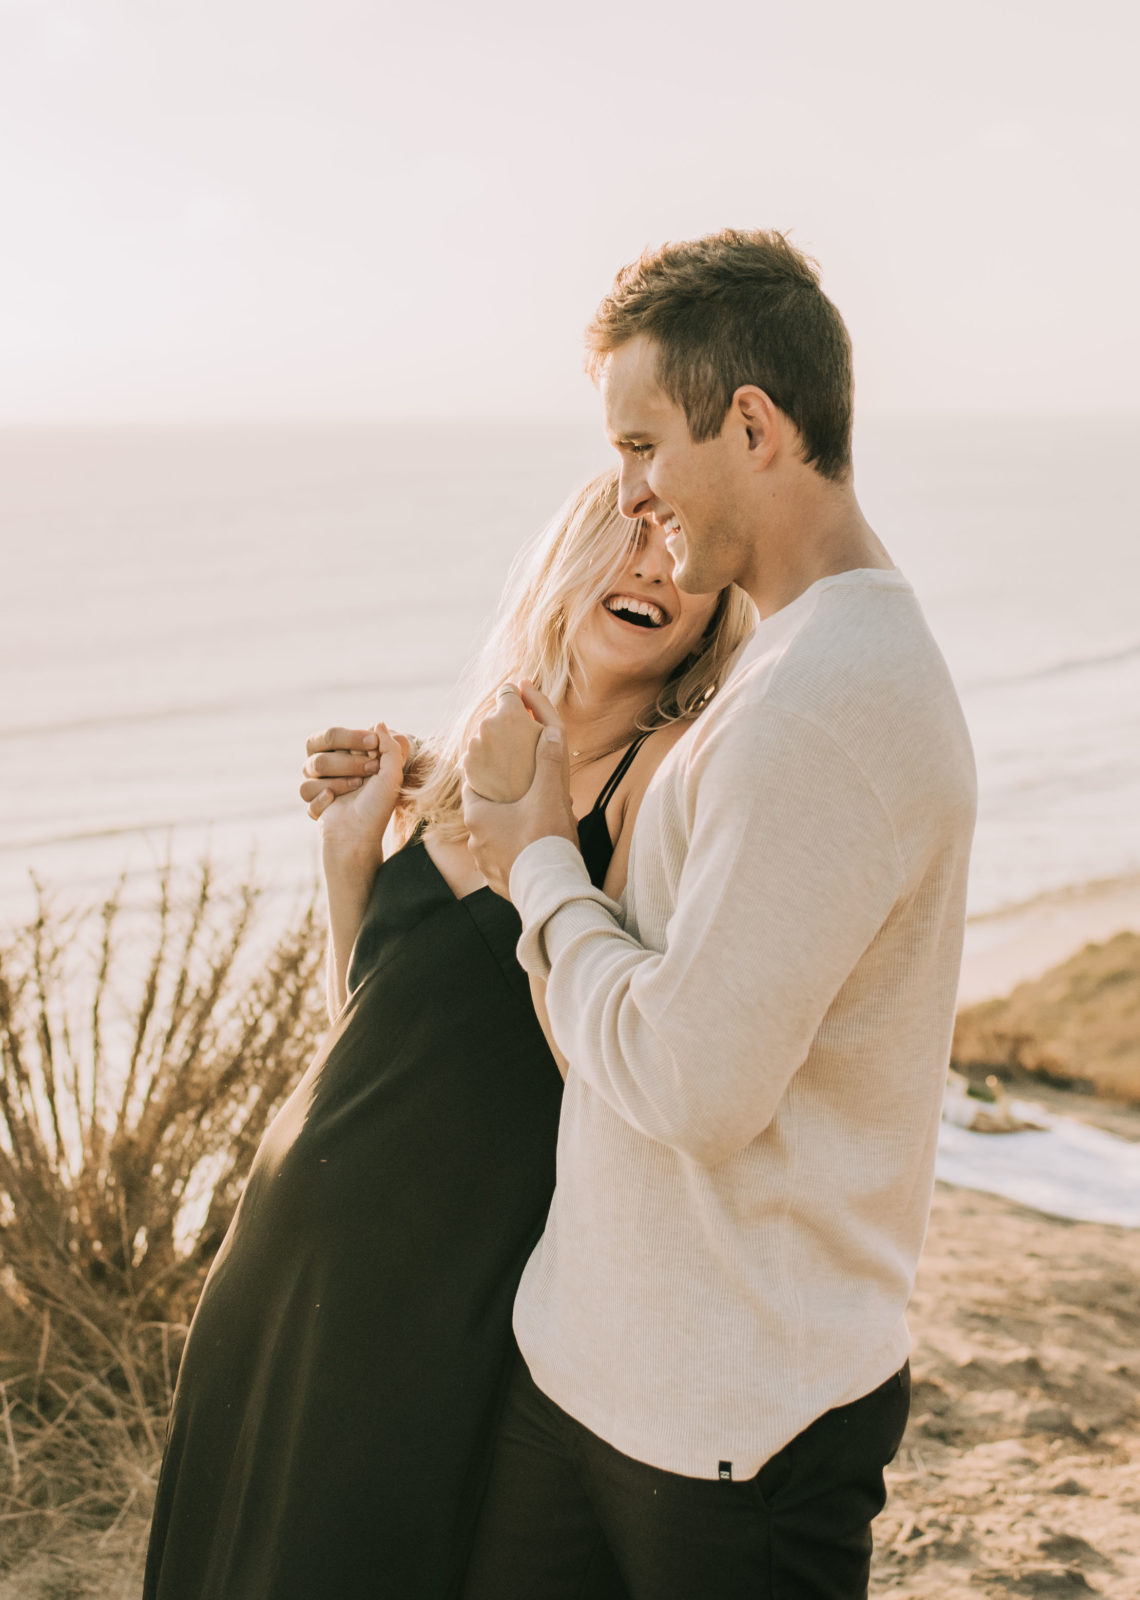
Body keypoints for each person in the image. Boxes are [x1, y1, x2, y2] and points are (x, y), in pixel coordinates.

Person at [459, 229, 978, 1599]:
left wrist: (536, 864)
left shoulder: (834, 702)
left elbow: (692, 1082)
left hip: (736, 1432)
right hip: (585, 1367)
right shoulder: (791, 662)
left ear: (752, 425)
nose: (629, 491)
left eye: (643, 447)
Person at [141, 468, 755, 1600]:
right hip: (283, 1255)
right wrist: (349, 858)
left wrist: (535, 853)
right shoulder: (469, 748)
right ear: (569, 558)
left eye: (683, 560)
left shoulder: (661, 783)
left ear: (719, 608)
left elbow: (611, 1066)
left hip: (441, 1294)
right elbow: (366, 1026)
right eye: (630, 539)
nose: (656, 572)